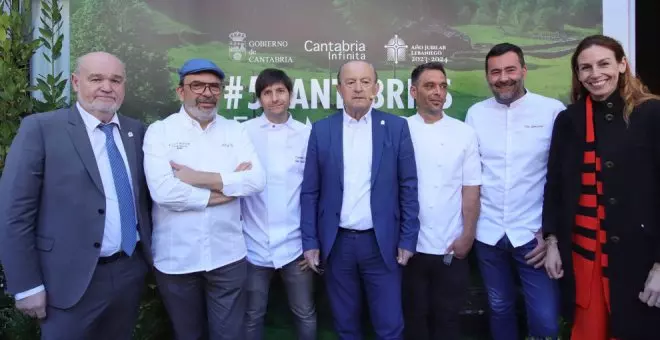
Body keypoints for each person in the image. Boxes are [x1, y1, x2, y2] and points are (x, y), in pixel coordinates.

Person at [0, 52, 152, 339]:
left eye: (115, 80)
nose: (107, 87)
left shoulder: (137, 131)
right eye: (96, 79)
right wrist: (26, 285)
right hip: (66, 281)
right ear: (75, 82)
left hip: (128, 273)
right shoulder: (41, 129)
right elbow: (14, 213)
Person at [543, 34, 660, 340]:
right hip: (582, 256)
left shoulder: (651, 114)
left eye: (603, 64)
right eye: (585, 68)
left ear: (622, 65)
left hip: (640, 256)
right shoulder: (568, 120)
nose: (595, 74)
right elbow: (555, 184)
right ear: (578, 75)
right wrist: (552, 240)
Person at [143, 58, 265, 340]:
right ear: (180, 91)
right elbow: (164, 192)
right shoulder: (160, 132)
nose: (207, 94)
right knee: (188, 335)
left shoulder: (236, 130)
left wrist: (194, 177)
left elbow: (257, 181)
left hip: (228, 256)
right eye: (197, 85)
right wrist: (227, 188)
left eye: (214, 87)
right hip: (177, 260)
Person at [300, 60, 420, 340]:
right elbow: (310, 192)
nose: (358, 88)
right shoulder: (321, 130)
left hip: (382, 245)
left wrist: (407, 239)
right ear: (339, 88)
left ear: (376, 88)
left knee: (390, 325)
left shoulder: (395, 127)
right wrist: (310, 241)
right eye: (350, 82)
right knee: (345, 325)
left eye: (365, 82)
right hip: (337, 244)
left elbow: (409, 187)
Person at [464, 43, 564, 340]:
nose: (503, 78)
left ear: (523, 70)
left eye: (510, 70)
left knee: (545, 320)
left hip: (534, 237)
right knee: (499, 308)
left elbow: (561, 179)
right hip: (489, 234)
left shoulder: (552, 111)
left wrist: (551, 234)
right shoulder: (476, 114)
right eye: (495, 72)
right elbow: (470, 176)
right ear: (487, 76)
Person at [403, 62, 481, 340]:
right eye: (429, 86)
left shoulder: (464, 133)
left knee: (448, 321)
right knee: (414, 320)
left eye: (443, 86)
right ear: (413, 91)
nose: (438, 92)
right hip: (410, 248)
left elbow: (471, 188)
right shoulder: (400, 130)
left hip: (451, 244)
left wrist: (467, 236)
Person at [241, 68, 317, 340]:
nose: (275, 98)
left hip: (295, 247)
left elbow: (314, 191)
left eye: (280, 91)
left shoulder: (307, 134)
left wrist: (311, 243)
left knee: (304, 312)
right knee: (252, 314)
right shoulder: (243, 133)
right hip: (252, 244)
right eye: (267, 92)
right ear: (259, 98)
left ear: (290, 95)